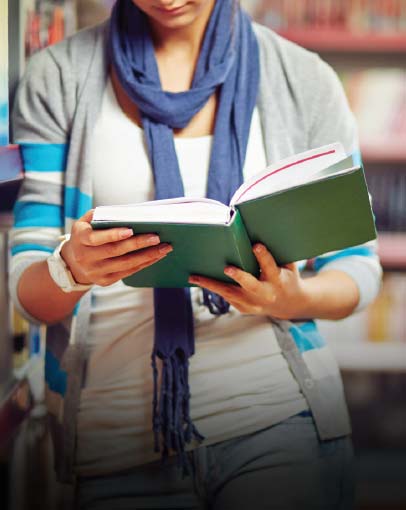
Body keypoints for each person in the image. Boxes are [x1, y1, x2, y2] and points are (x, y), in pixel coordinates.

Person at [9, 0, 382, 508]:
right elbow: (29, 295)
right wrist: (69, 269)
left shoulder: (303, 78)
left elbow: (358, 269)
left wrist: (288, 298)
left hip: (277, 418)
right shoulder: (58, 77)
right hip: (115, 439)